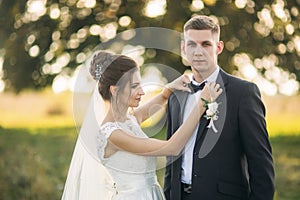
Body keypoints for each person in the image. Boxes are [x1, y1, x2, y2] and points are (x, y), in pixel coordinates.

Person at [62, 51, 222, 200]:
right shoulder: (113, 135)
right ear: (114, 90)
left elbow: (147, 110)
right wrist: (202, 104)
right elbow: (172, 148)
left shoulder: (127, 121)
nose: (142, 92)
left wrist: (167, 91)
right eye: (133, 87)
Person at [164, 15, 275, 200]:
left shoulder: (243, 93)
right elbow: (171, 158)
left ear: (219, 47)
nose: (198, 52)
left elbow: (260, 162)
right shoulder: (177, 95)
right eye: (192, 44)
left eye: (206, 44)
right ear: (183, 48)